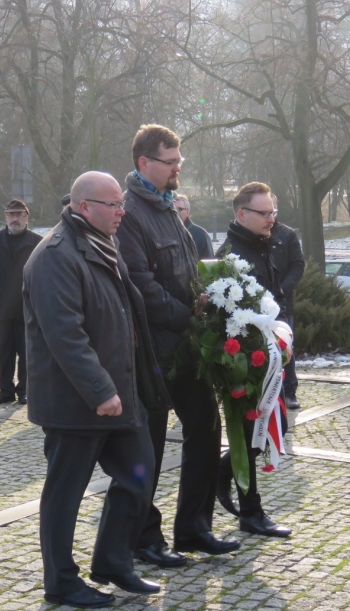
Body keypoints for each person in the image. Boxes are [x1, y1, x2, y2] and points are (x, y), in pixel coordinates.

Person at [24, 171, 169, 608]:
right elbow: (65, 335)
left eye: (121, 203)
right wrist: (101, 390)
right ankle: (61, 582)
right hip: (74, 400)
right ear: (84, 206)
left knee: (139, 475)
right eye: (114, 205)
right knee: (65, 494)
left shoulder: (104, 242)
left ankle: (113, 561)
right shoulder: (55, 255)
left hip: (120, 392)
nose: (122, 212)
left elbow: (125, 314)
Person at [118, 124, 239, 566]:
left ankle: (194, 528)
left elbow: (184, 271)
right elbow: (141, 286)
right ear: (144, 163)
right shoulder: (131, 213)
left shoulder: (168, 206)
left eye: (178, 162)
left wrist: (206, 298)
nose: (177, 170)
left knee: (206, 428)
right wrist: (190, 316)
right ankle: (143, 538)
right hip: (152, 351)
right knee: (147, 447)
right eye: (170, 162)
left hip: (187, 347)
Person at [215, 182, 292, 538]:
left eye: (273, 212)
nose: (271, 219)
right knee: (251, 431)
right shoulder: (232, 255)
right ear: (241, 214)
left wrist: (283, 339)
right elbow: (230, 314)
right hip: (246, 360)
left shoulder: (265, 245)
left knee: (272, 427)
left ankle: (222, 475)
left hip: (270, 355)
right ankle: (251, 511)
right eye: (264, 213)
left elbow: (274, 300)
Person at [0, 199, 41, 405]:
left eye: (19, 215)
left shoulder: (37, 242)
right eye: (11, 215)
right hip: (1, 305)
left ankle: (24, 390)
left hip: (26, 305)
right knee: (5, 350)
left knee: (26, 350)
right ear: (5, 217)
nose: (15, 219)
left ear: (27, 217)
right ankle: (5, 390)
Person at [268, 195, 305, 410]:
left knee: (285, 347)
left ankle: (289, 391)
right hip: (256, 303)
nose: (268, 216)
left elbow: (298, 266)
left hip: (282, 303)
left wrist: (282, 289)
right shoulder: (249, 235)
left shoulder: (287, 234)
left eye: (271, 210)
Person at [174, 194, 213, 260]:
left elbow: (209, 263)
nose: (175, 212)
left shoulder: (201, 235)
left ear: (188, 212)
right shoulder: (163, 232)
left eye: (179, 209)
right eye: (173, 209)